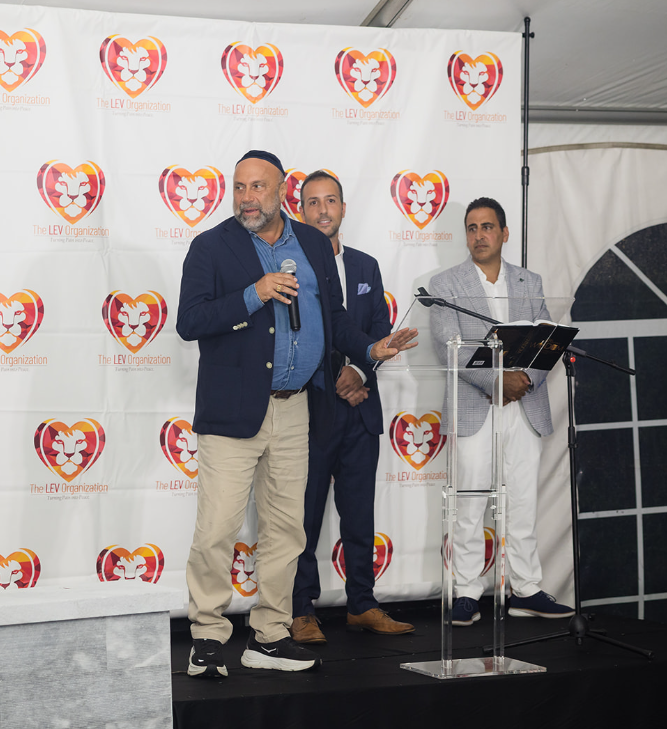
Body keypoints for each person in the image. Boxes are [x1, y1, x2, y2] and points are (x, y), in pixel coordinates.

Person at [177, 150, 418, 678]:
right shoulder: (210, 246)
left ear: (282, 190)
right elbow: (189, 321)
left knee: (286, 530)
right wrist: (253, 294)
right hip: (232, 413)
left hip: (296, 408)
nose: (247, 198)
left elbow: (334, 317)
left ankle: (269, 635)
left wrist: (369, 350)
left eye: (258, 187)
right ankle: (208, 636)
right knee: (216, 529)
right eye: (239, 187)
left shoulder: (310, 242)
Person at [428, 197, 574, 626]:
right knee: (470, 503)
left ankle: (526, 590)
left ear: (504, 233)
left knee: (523, 502)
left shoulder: (529, 282)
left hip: (524, 405)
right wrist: (496, 381)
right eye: (472, 228)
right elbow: (449, 348)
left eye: (487, 227)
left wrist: (523, 380)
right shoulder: (445, 284)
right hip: (476, 406)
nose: (479, 235)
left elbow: (548, 340)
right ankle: (467, 592)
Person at [289, 171, 415, 644]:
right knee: (303, 519)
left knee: (360, 516)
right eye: (312, 202)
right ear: (300, 211)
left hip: (361, 408)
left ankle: (362, 604)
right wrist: (336, 377)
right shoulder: (290, 268)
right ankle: (301, 610)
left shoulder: (366, 266)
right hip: (310, 410)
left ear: (343, 208)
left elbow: (378, 330)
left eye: (331, 201)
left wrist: (360, 373)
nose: (322, 210)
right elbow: (294, 338)